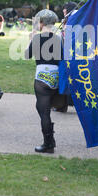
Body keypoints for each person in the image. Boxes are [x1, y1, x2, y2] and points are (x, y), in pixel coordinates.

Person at [25, 9, 63, 153]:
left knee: (44, 112)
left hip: (41, 77)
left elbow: (27, 55)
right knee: (42, 108)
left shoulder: (37, 38)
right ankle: (50, 139)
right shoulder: (59, 38)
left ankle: (48, 144)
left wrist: (31, 39)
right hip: (55, 76)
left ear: (41, 23)